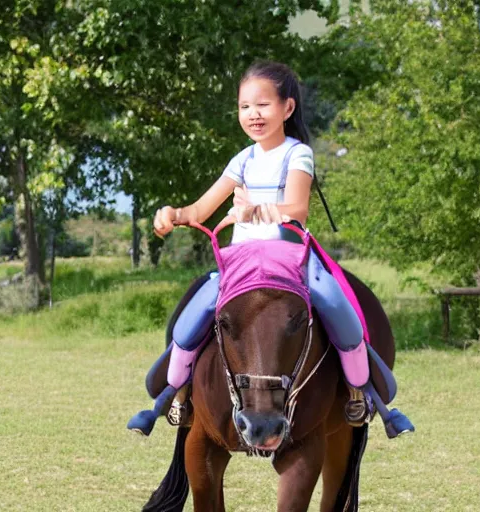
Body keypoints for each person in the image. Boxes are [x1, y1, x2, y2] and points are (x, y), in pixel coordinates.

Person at [127, 61, 414, 439]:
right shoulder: (242, 160)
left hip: (290, 261)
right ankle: (173, 396)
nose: (253, 115)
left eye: (263, 105)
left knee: (340, 310)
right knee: (189, 321)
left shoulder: (298, 155)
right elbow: (200, 209)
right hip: (242, 265)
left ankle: (363, 393)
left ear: (287, 109)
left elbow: (297, 209)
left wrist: (260, 211)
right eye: (245, 107)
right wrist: (174, 214)